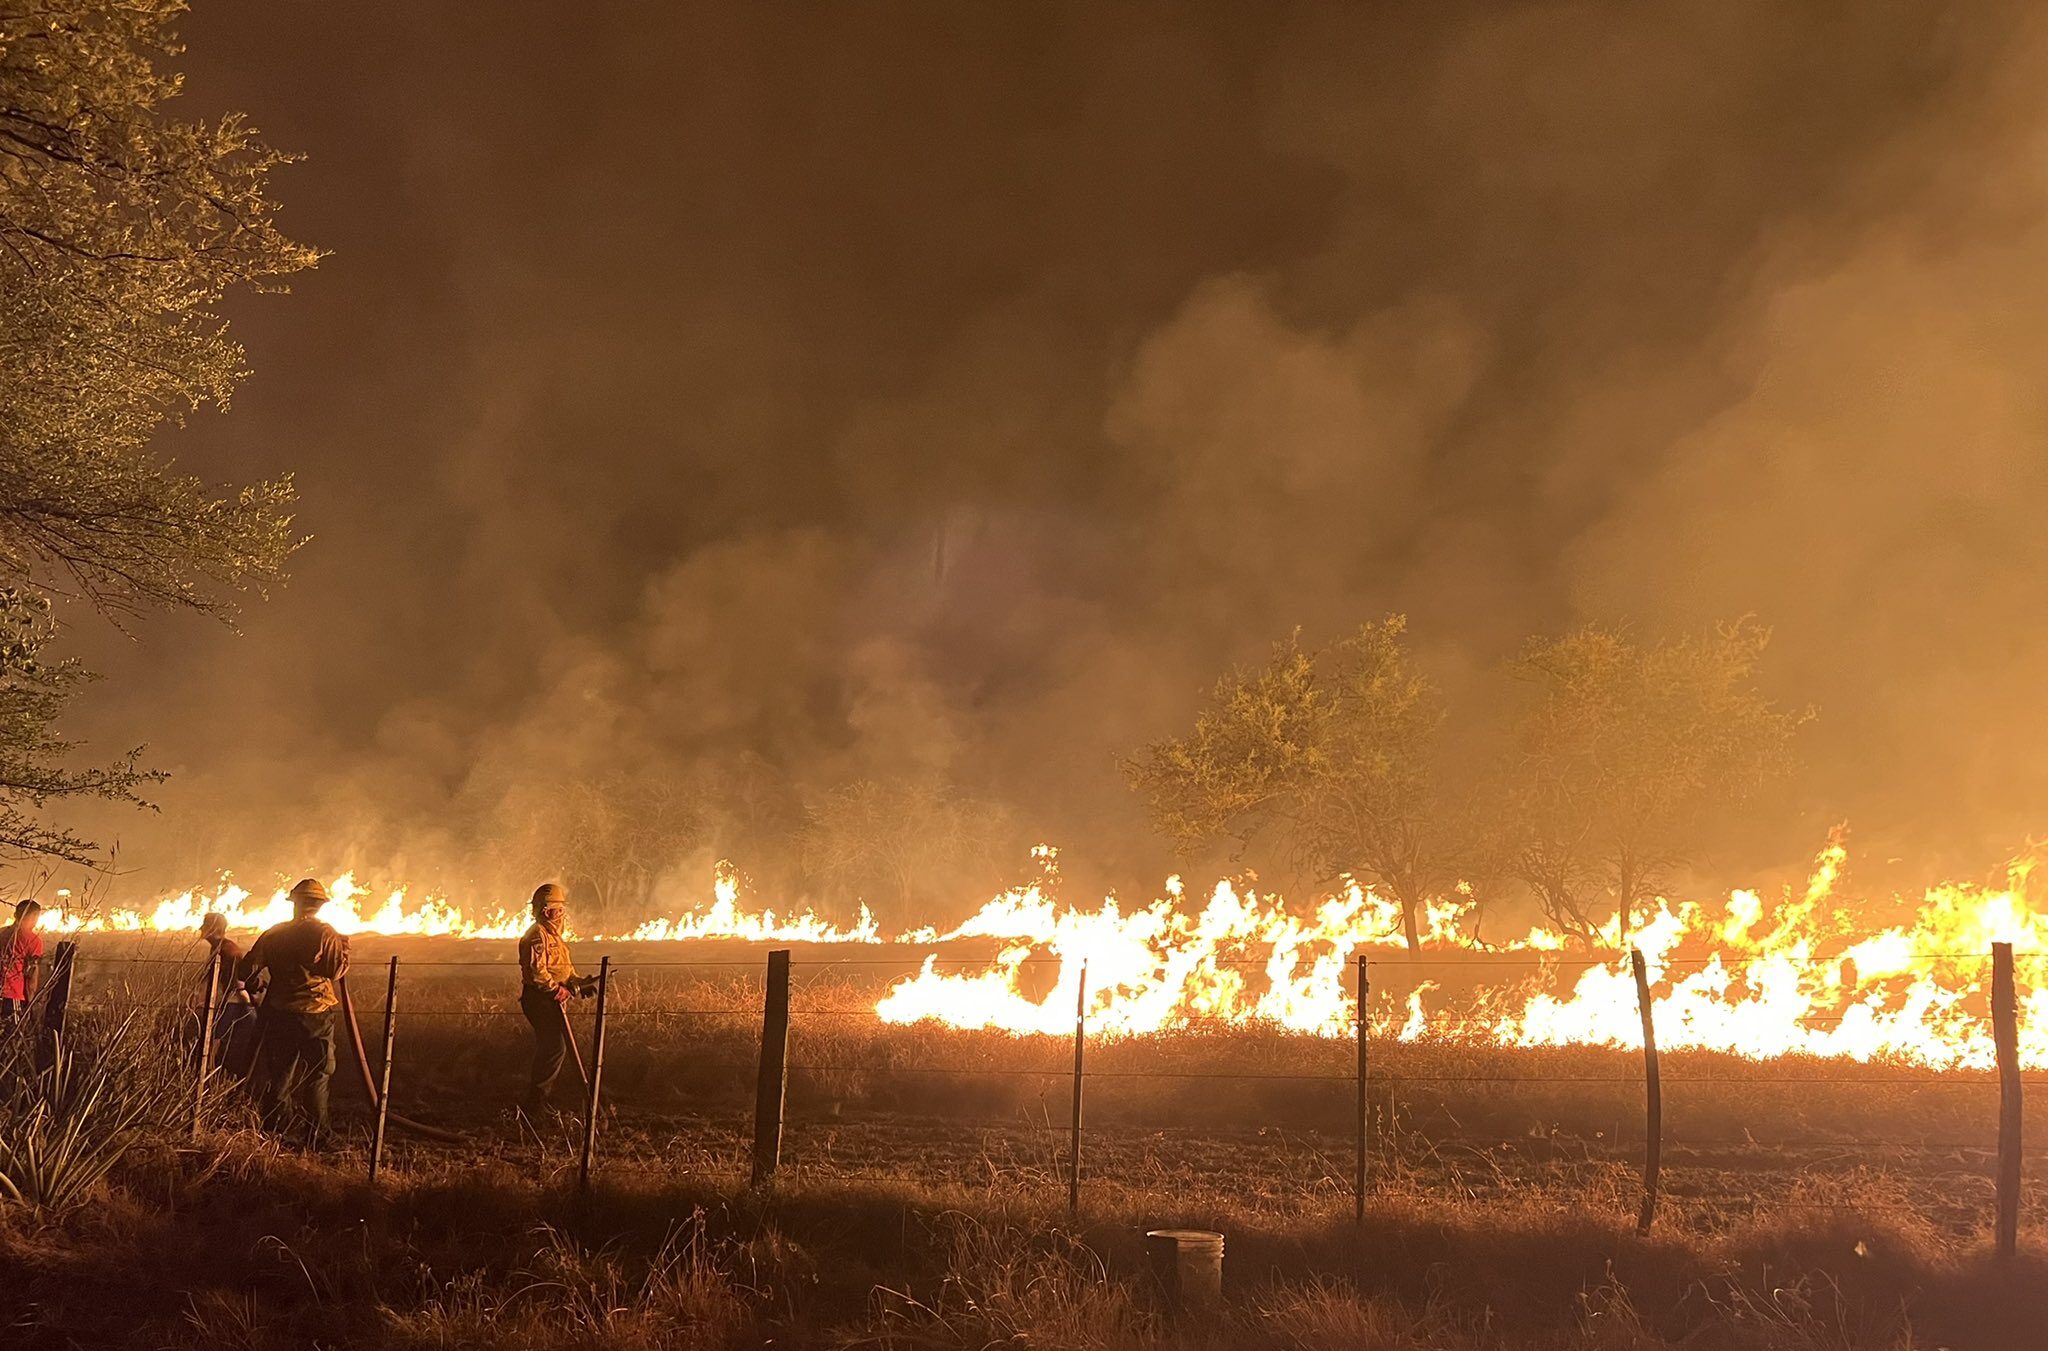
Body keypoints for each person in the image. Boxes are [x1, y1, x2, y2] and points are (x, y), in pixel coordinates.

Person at [239, 878, 349, 1146]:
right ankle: (317, 1136)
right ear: (320, 905)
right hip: (316, 1013)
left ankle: (276, 1131)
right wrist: (344, 951)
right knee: (317, 1073)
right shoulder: (325, 933)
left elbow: (247, 970)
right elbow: (334, 971)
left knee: (280, 1073)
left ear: (295, 904)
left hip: (278, 1012)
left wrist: (258, 983)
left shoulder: (274, 933)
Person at [517, 882, 594, 1111]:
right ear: (545, 910)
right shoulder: (537, 936)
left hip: (549, 997)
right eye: (557, 909)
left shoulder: (554, 936)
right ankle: (536, 1101)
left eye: (562, 910)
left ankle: (542, 1097)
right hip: (540, 999)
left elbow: (562, 967)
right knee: (554, 1047)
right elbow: (537, 971)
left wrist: (577, 982)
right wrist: (555, 989)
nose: (561, 914)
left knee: (553, 1046)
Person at [197, 912, 254, 1070]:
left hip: (234, 1001)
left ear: (213, 929)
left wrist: (229, 997)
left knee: (214, 1036)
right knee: (216, 1037)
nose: (202, 930)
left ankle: (208, 1072)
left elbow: (237, 979)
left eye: (206, 926)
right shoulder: (219, 947)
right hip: (233, 1000)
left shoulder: (226, 949)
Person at [0, 899, 45, 1023]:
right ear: (34, 916)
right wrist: (31, 1002)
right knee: (12, 1035)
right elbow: (32, 973)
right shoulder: (33, 940)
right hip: (12, 995)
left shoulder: (1, 933)